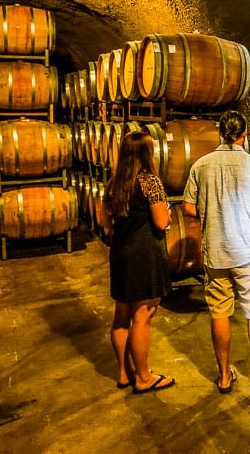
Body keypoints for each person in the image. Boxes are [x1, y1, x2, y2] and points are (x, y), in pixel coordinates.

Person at [183, 110, 250, 394]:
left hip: (215, 252)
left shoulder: (201, 166)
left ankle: (223, 376)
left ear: (221, 133)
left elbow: (188, 207)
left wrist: (213, 214)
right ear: (244, 135)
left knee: (219, 312)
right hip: (248, 252)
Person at [101, 131, 175, 394]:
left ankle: (125, 373)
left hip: (120, 253)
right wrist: (166, 211)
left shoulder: (113, 184)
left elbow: (105, 223)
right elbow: (161, 222)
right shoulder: (149, 182)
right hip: (144, 255)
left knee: (121, 315)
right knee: (142, 317)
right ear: (146, 153)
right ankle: (144, 377)